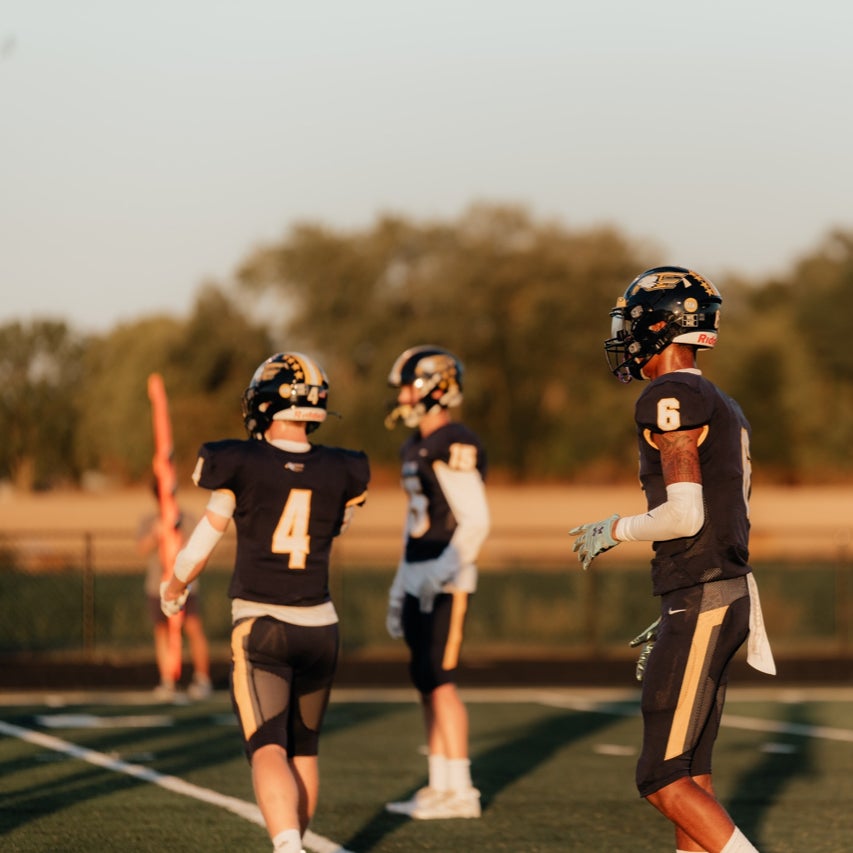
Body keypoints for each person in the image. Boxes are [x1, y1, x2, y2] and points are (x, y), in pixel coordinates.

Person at [569, 267, 776, 853]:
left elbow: (685, 515)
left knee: (661, 778)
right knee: (692, 776)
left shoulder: (670, 394)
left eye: (633, 320)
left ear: (660, 325)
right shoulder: (721, 401)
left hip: (704, 594)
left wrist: (613, 529)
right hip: (719, 590)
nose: (626, 333)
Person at [160, 352, 370, 853]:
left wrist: (175, 585)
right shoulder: (344, 470)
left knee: (267, 747)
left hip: (262, 625)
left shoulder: (242, 463)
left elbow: (203, 541)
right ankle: (299, 842)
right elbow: (337, 525)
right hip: (322, 626)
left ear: (265, 403)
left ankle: (287, 847)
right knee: (304, 751)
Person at [383, 345, 490, 820]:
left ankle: (462, 791)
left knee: (442, 683)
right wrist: (402, 580)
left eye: (408, 385)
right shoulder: (415, 446)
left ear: (432, 387)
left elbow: (476, 521)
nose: (403, 396)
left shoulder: (454, 441)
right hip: (420, 571)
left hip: (447, 578)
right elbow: (415, 522)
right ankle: (439, 784)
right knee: (424, 682)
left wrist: (440, 572)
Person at [137, 491, 212, 701]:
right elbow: (141, 549)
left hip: (185, 586)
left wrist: (176, 533)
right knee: (161, 631)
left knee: (193, 627)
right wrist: (156, 535)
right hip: (157, 585)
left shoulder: (186, 518)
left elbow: (197, 548)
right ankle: (167, 679)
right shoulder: (149, 520)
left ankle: (202, 678)